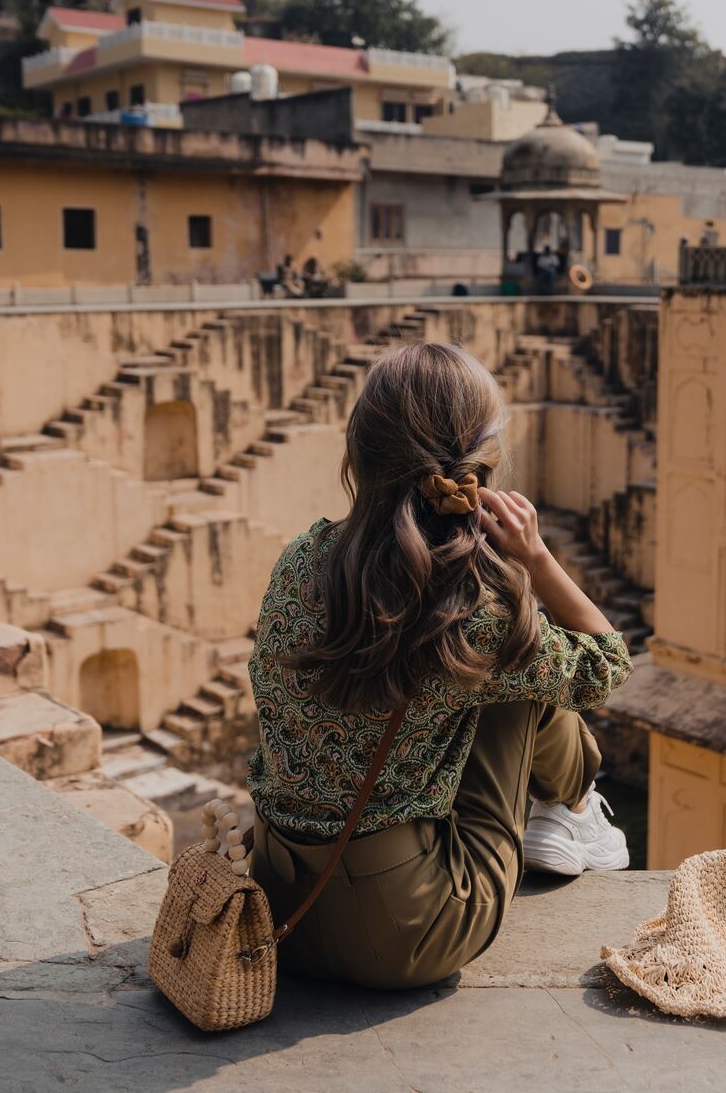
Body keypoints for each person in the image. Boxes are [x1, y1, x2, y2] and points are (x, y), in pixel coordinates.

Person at [247, 342, 633, 990]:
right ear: (477, 466)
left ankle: (571, 810)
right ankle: (574, 806)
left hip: (282, 906)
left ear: (360, 453)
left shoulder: (299, 560)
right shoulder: (475, 611)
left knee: (498, 663)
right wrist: (535, 559)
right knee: (518, 672)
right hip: (408, 933)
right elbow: (609, 664)